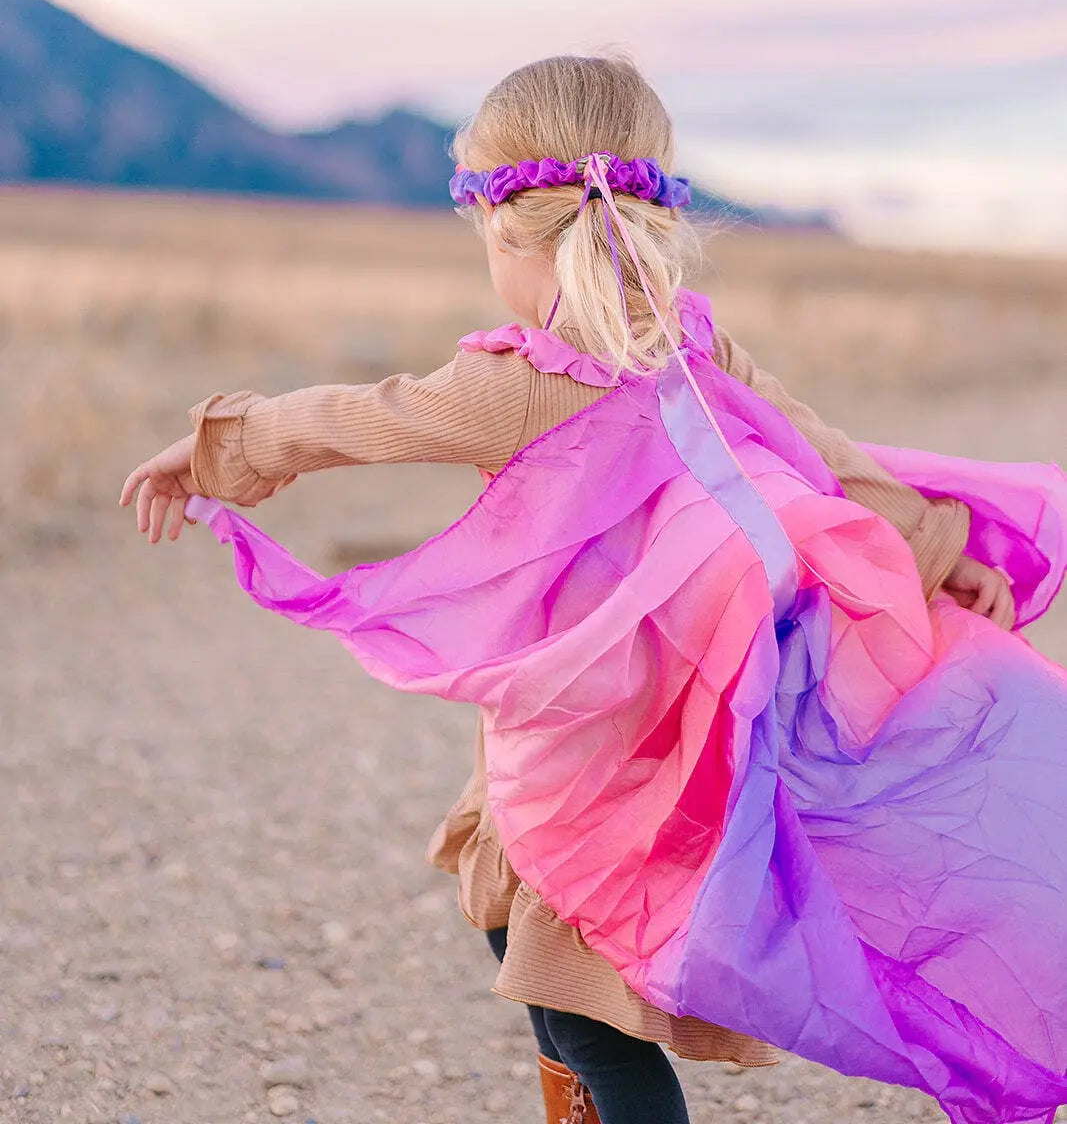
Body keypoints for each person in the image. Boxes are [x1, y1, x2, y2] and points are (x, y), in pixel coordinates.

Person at [120, 56, 1067, 1124]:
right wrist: (941, 549)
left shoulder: (520, 383)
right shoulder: (686, 340)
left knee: (584, 1010)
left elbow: (352, 415)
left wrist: (217, 445)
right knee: (526, 935)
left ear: (504, 230)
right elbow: (824, 455)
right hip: (663, 734)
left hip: (599, 761)